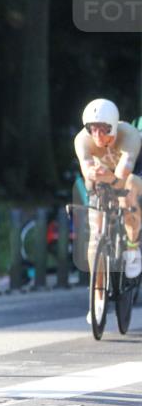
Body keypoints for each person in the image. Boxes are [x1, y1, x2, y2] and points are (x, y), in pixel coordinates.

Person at [74, 98, 142, 321]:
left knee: (130, 188)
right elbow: (87, 175)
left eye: (104, 130)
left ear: (114, 127)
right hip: (103, 175)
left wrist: (110, 178)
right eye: (92, 130)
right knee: (96, 233)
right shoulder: (82, 141)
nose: (98, 136)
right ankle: (97, 294)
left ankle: (132, 246)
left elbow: (124, 173)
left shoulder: (130, 135)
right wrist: (92, 177)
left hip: (130, 174)